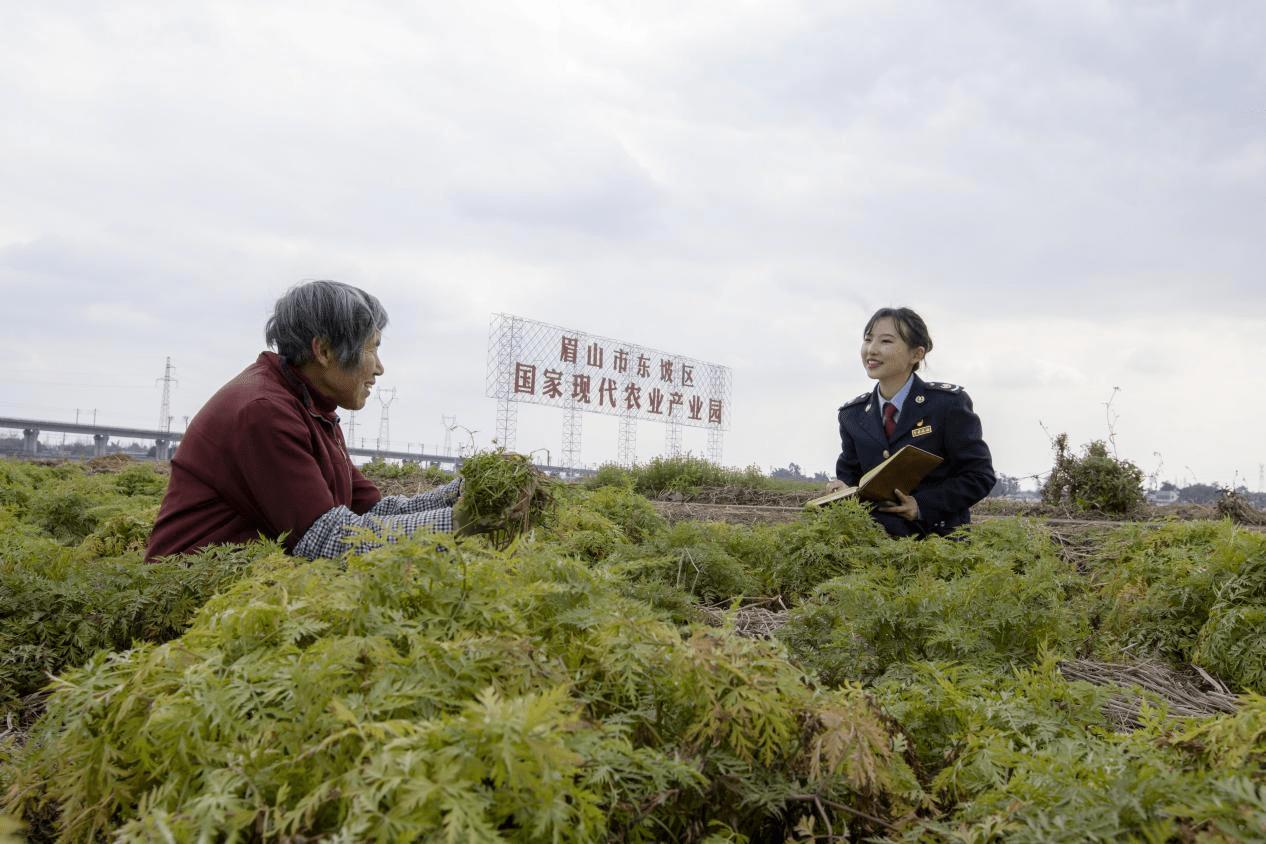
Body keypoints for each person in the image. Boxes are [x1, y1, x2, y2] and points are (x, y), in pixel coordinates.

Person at [145, 280, 461, 561]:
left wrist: (463, 493)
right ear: (324, 351)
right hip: (192, 600)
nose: (379, 368)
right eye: (372, 348)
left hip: (247, 593)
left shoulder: (312, 408)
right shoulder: (264, 411)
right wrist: (461, 523)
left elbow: (372, 510)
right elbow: (326, 539)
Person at [828, 307, 995, 538]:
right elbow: (850, 475)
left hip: (938, 539)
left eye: (886, 341)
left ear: (916, 354)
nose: (872, 350)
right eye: (868, 339)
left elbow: (979, 475)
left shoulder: (947, 405)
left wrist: (921, 506)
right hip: (872, 536)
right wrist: (841, 489)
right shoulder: (852, 415)